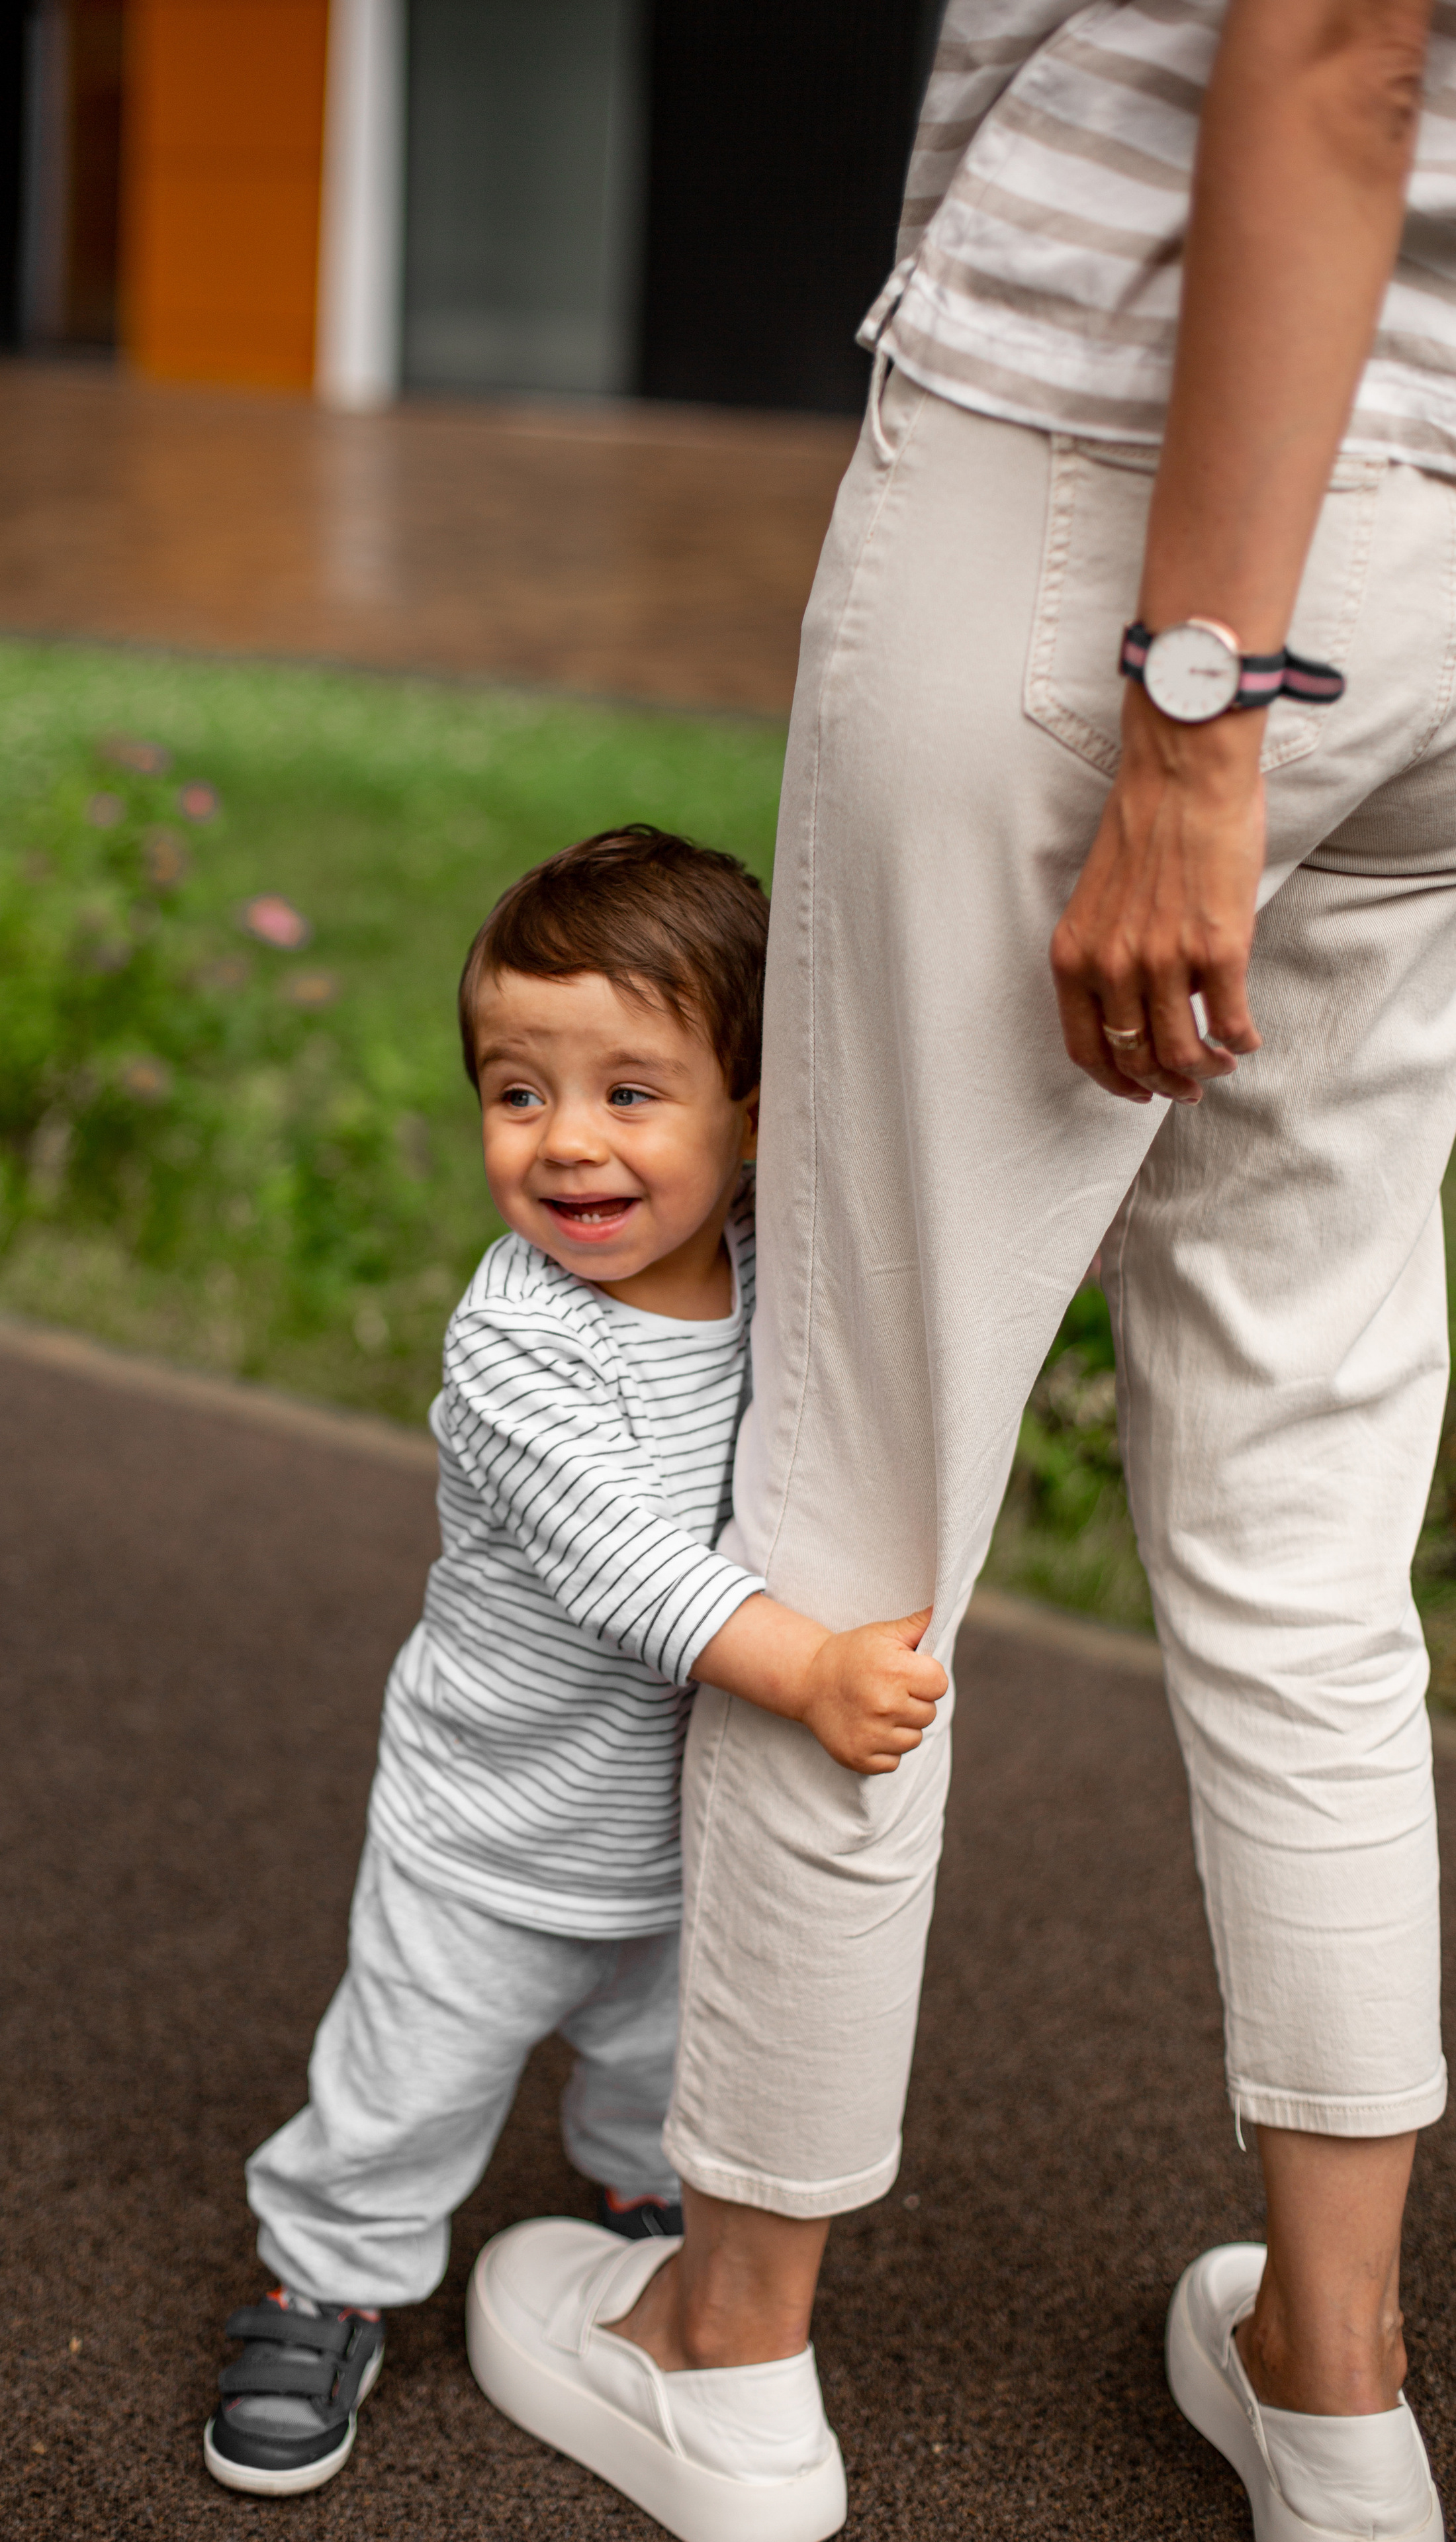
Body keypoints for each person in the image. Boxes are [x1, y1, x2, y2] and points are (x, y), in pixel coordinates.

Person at [467, 5, 1456, 2540]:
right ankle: (1337, 2390)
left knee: (865, 1468)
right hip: (1450, 560)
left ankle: (729, 2358)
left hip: (1128, 503)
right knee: (1312, 1520)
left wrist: (1200, 711)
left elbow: (1336, 42)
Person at [201, 827, 943, 2499]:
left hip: (681, 1837)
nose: (566, 1142)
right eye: (517, 1092)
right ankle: (324, 2277)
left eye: (629, 1092)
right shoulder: (517, 1342)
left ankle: (638, 2205)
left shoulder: (766, 1269)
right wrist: (810, 1674)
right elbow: (624, 1570)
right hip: (491, 1833)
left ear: (750, 1114)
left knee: (665, 2062)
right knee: (403, 2087)